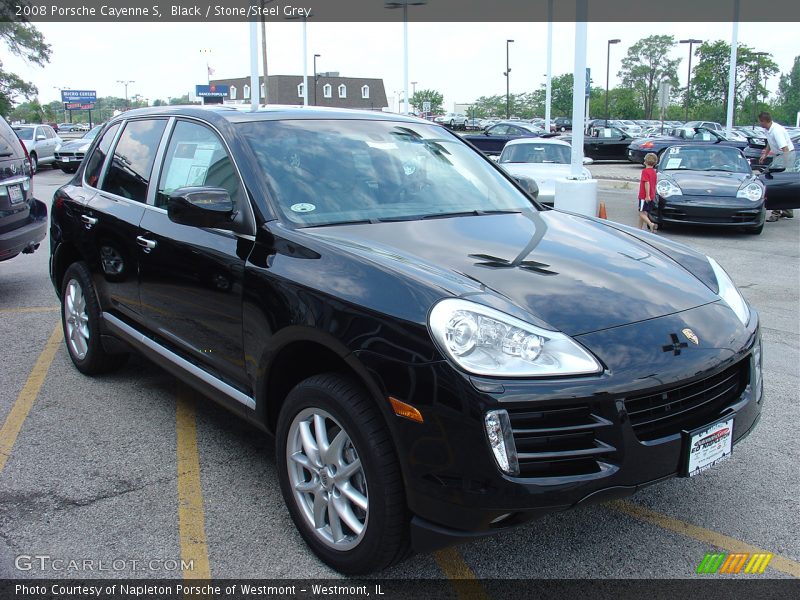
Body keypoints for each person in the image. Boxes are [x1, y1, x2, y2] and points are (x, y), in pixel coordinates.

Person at [758, 111, 796, 221]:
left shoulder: (777, 131)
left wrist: (785, 165)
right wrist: (765, 154)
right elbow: (770, 142)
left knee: (779, 183)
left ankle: (776, 213)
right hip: (779, 155)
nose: (760, 124)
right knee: (780, 183)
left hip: (786, 155)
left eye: (760, 122)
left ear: (764, 121)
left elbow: (785, 149)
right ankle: (787, 211)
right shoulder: (768, 130)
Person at [638, 152, 658, 232]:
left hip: (644, 196)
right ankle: (639, 229)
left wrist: (647, 195)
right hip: (651, 195)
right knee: (644, 213)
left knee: (641, 212)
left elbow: (647, 183)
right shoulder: (654, 172)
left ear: (645, 161)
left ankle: (651, 224)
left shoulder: (645, 171)